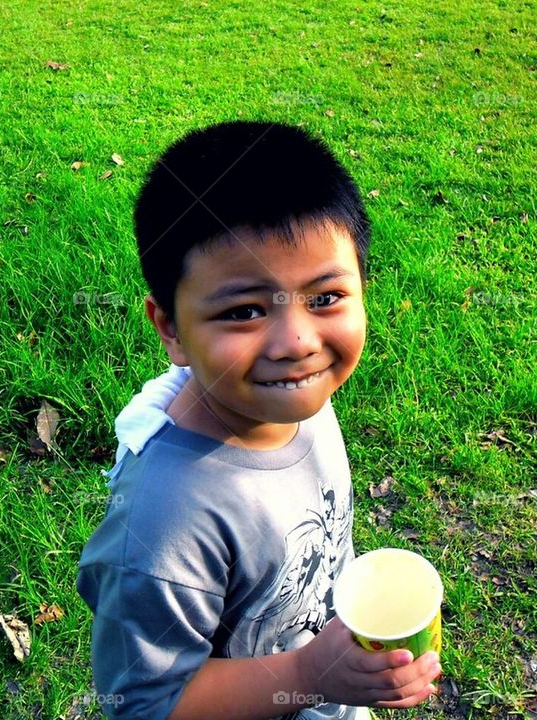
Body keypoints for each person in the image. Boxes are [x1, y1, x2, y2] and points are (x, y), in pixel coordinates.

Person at [76, 120, 441, 720]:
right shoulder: (165, 522)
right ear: (169, 326)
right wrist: (307, 673)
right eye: (245, 310)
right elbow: (145, 704)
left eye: (325, 298)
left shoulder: (291, 398)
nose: (297, 341)